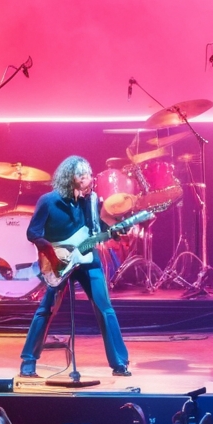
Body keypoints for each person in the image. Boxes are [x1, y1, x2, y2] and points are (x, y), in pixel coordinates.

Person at [19, 157, 131, 378]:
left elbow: (98, 229)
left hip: (88, 259)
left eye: (88, 174)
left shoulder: (91, 202)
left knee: (105, 307)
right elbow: (33, 233)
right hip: (57, 262)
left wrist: (115, 231)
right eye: (82, 175)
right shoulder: (48, 201)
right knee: (46, 310)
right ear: (70, 177)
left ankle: (120, 363)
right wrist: (52, 257)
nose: (87, 179)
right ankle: (28, 362)